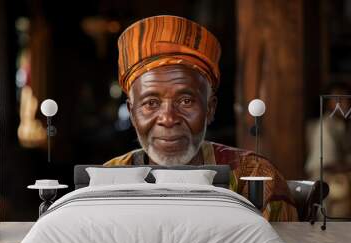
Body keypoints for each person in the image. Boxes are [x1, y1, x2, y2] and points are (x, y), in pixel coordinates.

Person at [104, 15, 298, 221]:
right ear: (132, 113)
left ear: (210, 108)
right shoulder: (109, 180)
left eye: (186, 101)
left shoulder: (253, 178)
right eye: (151, 103)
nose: (168, 119)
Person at [305, 82, 351, 218]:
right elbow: (327, 162)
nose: (344, 102)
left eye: (346, 98)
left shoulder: (345, 126)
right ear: (329, 103)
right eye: (338, 99)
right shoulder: (324, 126)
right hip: (327, 179)